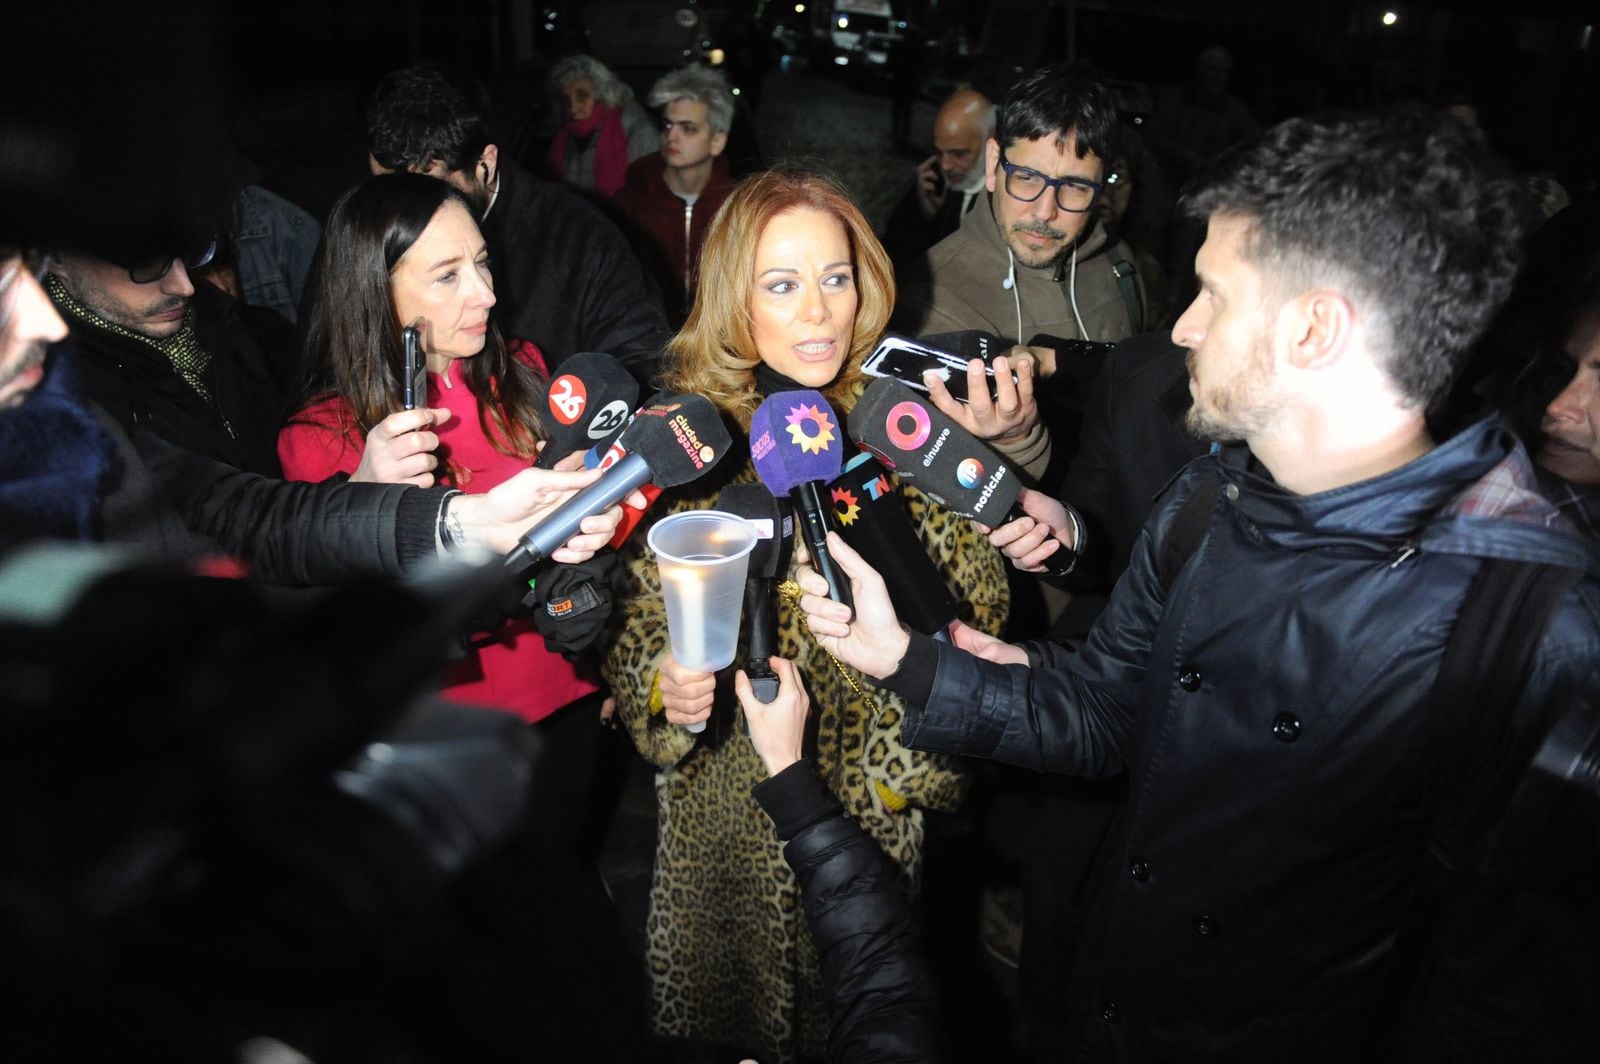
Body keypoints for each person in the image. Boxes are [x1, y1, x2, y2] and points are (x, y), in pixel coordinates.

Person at [798, 107, 1600, 1060]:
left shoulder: (1540, 633)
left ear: (1313, 329)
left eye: (1215, 295)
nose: (1182, 326)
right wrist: (907, 660)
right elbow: (1103, 713)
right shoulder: (1206, 497)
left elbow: (1501, 1011)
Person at [602, 169, 1009, 1063]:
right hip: (723, 847)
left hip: (868, 824)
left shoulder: (904, 428)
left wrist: (910, 769)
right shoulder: (688, 446)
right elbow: (633, 630)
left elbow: (978, 611)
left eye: (836, 276)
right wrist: (663, 690)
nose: (820, 311)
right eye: (782, 285)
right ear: (733, 301)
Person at [365, 61, 671, 389]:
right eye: (387, 190)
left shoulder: (579, 238)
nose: (403, 214)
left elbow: (642, 361)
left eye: (431, 192)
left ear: (486, 164)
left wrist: (576, 430)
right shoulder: (363, 226)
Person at [740, 657, 946, 1064]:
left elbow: (958, 661)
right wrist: (668, 680)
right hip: (735, 819)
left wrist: (902, 767)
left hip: (864, 812)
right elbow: (640, 616)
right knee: (745, 990)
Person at [893, 65, 1147, 384]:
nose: (1044, 211)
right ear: (992, 162)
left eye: (1075, 186)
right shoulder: (928, 300)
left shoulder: (1119, 262)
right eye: (1026, 178)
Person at [45, 228, 297, 475]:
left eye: (189, 253)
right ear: (57, 259)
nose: (184, 286)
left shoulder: (229, 319)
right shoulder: (57, 393)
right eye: (145, 264)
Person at [611, 63, 739, 326]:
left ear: (717, 141)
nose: (672, 136)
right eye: (668, 125)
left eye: (688, 128)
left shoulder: (736, 206)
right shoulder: (629, 204)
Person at [881, 88, 994, 269]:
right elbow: (891, 252)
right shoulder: (932, 178)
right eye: (940, 152)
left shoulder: (1006, 197)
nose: (945, 165)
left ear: (990, 142)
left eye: (959, 153)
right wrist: (924, 213)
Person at [545, 54, 659, 199]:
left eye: (582, 96)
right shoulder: (563, 135)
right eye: (565, 99)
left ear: (601, 94)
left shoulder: (635, 130)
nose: (573, 108)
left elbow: (654, 193)